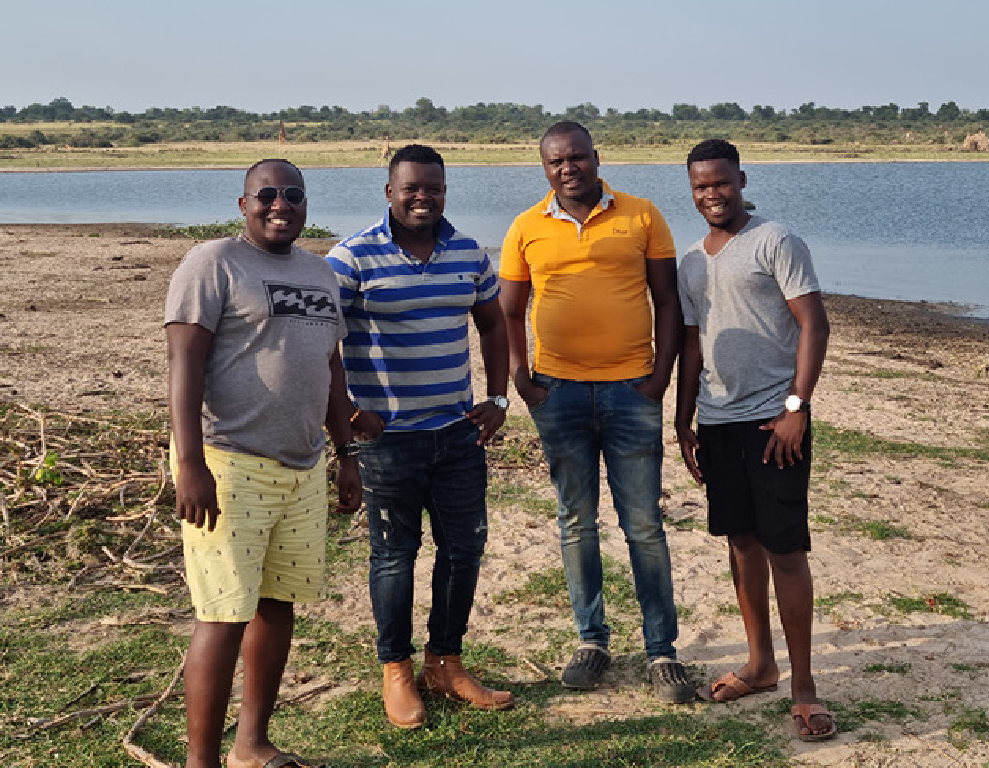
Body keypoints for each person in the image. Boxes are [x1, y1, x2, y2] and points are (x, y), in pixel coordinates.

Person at [165, 158, 362, 768]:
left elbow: (329, 368)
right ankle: (202, 761)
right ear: (244, 203)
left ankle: (251, 744)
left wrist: (345, 454)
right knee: (223, 613)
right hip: (229, 460)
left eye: (293, 196)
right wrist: (191, 462)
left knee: (277, 605)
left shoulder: (319, 272)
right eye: (267, 195)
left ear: (306, 205)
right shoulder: (212, 261)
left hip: (301, 467)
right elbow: (184, 363)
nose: (281, 205)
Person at [498, 121, 695, 703]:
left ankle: (662, 649)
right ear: (545, 168)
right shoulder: (526, 227)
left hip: (630, 391)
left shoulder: (642, 215)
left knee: (643, 524)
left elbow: (667, 299)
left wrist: (660, 376)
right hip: (557, 393)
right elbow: (510, 311)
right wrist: (521, 377)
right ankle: (593, 641)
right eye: (557, 161)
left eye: (578, 158)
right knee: (576, 519)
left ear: (595, 158)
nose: (569, 168)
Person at [326, 143, 513, 729]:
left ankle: (446, 661)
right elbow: (319, 342)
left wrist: (499, 398)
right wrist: (350, 414)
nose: (422, 197)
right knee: (394, 557)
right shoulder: (351, 258)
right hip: (388, 442)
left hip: (457, 436)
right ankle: (396, 670)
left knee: (463, 551)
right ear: (389, 192)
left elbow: (494, 322)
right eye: (410, 188)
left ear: (444, 191)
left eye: (433, 187)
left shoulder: (469, 253)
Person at [674, 139, 836, 741]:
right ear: (691, 190)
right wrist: (683, 419)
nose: (711, 195)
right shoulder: (690, 259)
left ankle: (804, 687)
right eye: (700, 187)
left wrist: (798, 406)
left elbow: (813, 323)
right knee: (740, 543)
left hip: (776, 422)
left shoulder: (776, 241)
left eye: (721, 183)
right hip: (717, 423)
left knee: (785, 549)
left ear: (741, 180)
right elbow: (693, 344)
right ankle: (760, 663)